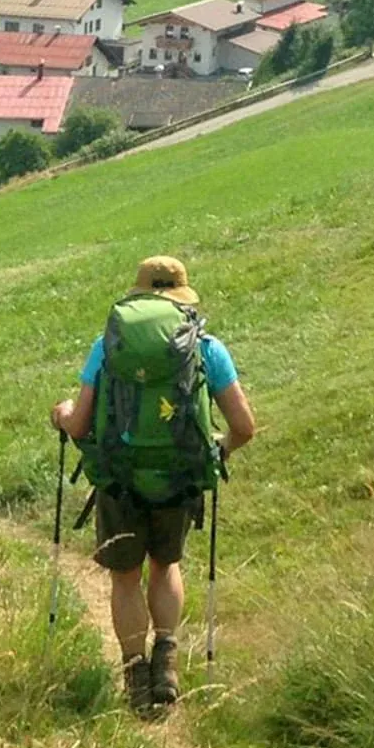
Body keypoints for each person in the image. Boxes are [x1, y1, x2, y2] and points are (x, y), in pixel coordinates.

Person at [51, 256, 256, 717]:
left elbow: (80, 424)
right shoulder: (206, 348)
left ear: (138, 295)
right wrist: (215, 450)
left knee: (126, 577)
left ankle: (135, 676)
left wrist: (61, 414)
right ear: (182, 298)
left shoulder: (106, 347)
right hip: (179, 477)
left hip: (120, 478)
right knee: (166, 566)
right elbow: (244, 427)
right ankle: (167, 664)